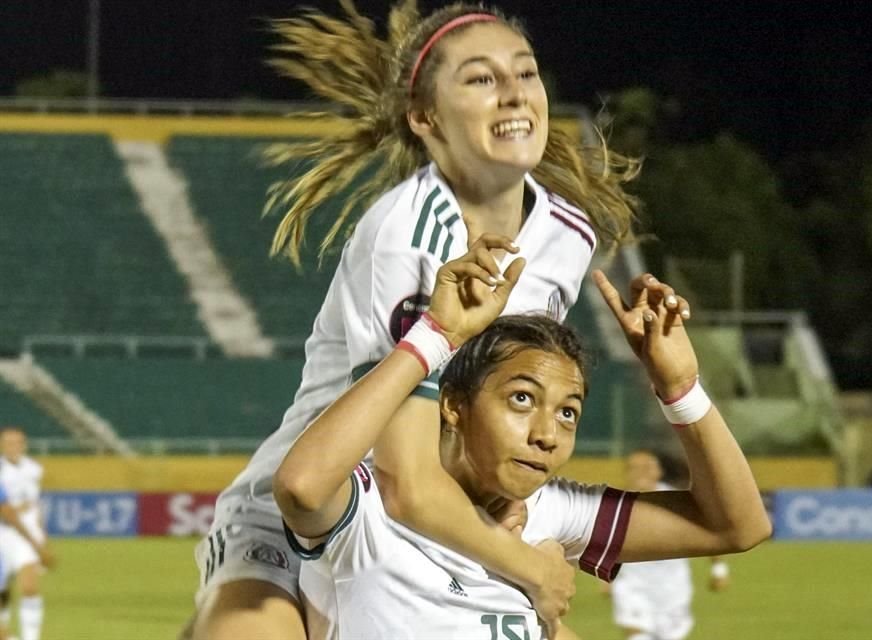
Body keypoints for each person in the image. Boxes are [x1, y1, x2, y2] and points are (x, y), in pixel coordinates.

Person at [189, 2, 644, 638]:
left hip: (431, 525)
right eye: (481, 79)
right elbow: (402, 476)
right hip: (312, 511)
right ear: (425, 117)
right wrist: (529, 568)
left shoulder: (569, 235)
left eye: (526, 72)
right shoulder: (408, 235)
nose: (515, 93)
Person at [274, 244, 772, 639]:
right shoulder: (371, 502)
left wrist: (681, 390)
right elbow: (300, 486)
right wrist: (434, 337)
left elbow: (737, 526)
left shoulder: (550, 511)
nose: (546, 435)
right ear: (454, 405)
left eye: (568, 412)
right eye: (521, 399)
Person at [605, 449, 731, 640]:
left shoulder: (676, 501)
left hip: (672, 586)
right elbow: (605, 544)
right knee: (636, 634)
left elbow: (706, 533)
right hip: (633, 585)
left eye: (647, 467)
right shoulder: (617, 504)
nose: (641, 473)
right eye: (635, 468)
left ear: (658, 472)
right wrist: (605, 578)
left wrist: (719, 570)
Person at [0, 427, 54, 640]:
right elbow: (7, 511)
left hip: (27, 531)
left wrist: (42, 536)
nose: (13, 447)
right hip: (4, 531)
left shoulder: (34, 469)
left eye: (17, 442)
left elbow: (35, 503)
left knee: (30, 587)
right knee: (3, 590)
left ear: (24, 445)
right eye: (8, 442)